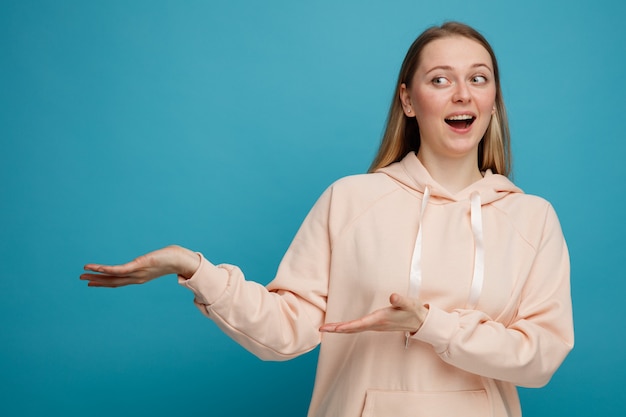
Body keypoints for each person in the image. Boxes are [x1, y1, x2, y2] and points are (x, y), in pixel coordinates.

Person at [81, 21, 574, 417]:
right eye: (440, 79)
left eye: (478, 78)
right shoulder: (350, 200)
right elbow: (286, 331)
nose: (462, 94)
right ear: (408, 100)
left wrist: (429, 324)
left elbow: (539, 357)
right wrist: (193, 268)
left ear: (494, 101)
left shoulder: (531, 218)